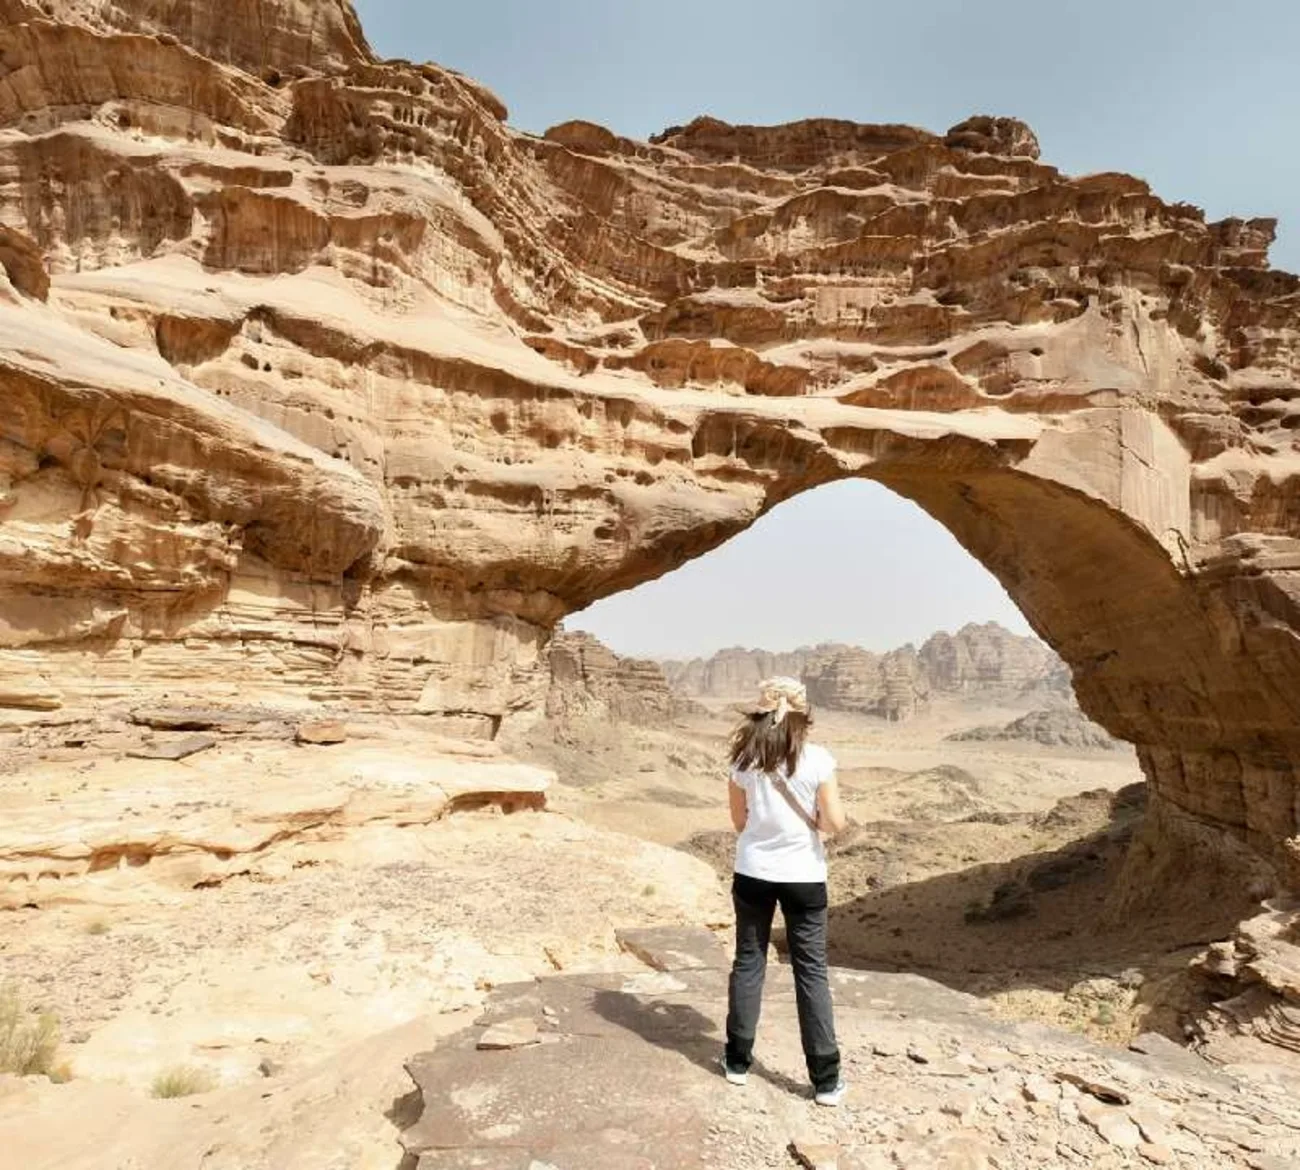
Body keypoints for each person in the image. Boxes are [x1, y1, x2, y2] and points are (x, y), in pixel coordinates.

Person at [722, 676, 848, 1106]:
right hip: (804, 877)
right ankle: (826, 1080)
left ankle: (737, 1061)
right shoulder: (818, 760)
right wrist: (814, 823)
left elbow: (739, 823)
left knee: (749, 962)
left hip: (753, 872)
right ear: (803, 717)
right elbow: (835, 822)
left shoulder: (743, 761)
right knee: (810, 971)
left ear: (762, 714)